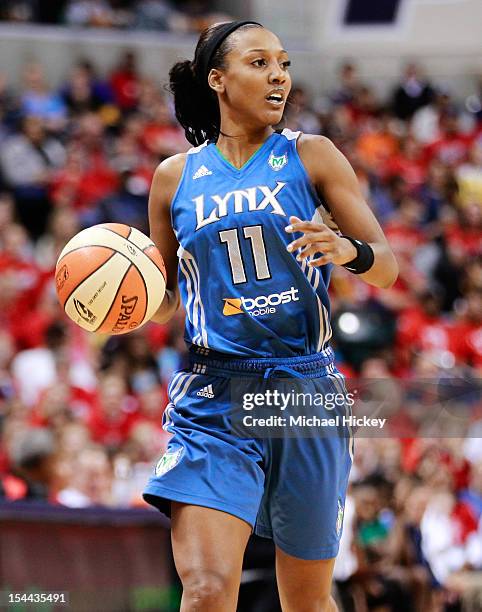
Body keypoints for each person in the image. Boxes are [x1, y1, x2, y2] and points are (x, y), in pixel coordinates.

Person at [142, 20, 398, 612]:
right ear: (218, 79)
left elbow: (386, 266)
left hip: (303, 392)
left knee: (305, 602)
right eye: (259, 63)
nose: (279, 75)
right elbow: (165, 298)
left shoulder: (312, 155)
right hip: (213, 398)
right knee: (205, 590)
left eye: (283, 63)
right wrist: (119, 299)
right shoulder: (173, 178)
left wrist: (347, 251)